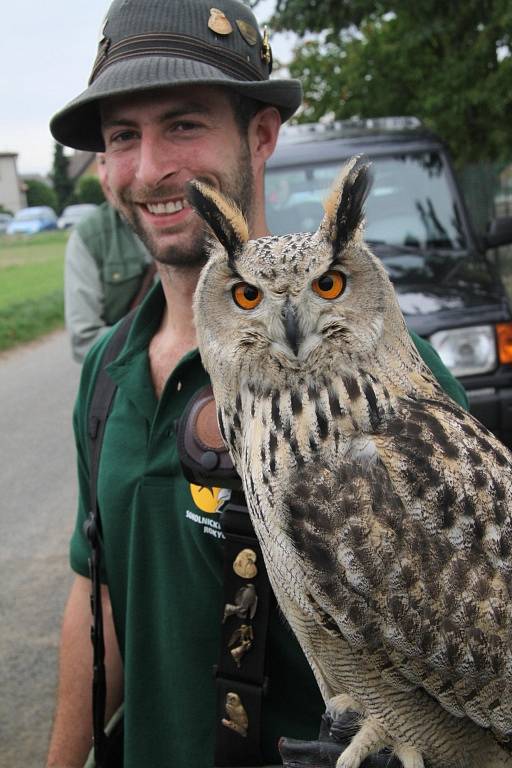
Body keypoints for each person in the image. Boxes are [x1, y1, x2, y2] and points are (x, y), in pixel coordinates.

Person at [47, 1, 468, 767]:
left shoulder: (383, 384)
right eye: (121, 138)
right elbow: (98, 594)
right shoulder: (106, 371)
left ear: (262, 133)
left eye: (182, 124)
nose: (149, 169)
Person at [64, 154, 154, 362]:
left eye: (113, 159)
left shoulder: (200, 219)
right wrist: (159, 349)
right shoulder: (88, 237)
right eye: (101, 162)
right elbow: (84, 340)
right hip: (125, 375)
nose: (106, 176)